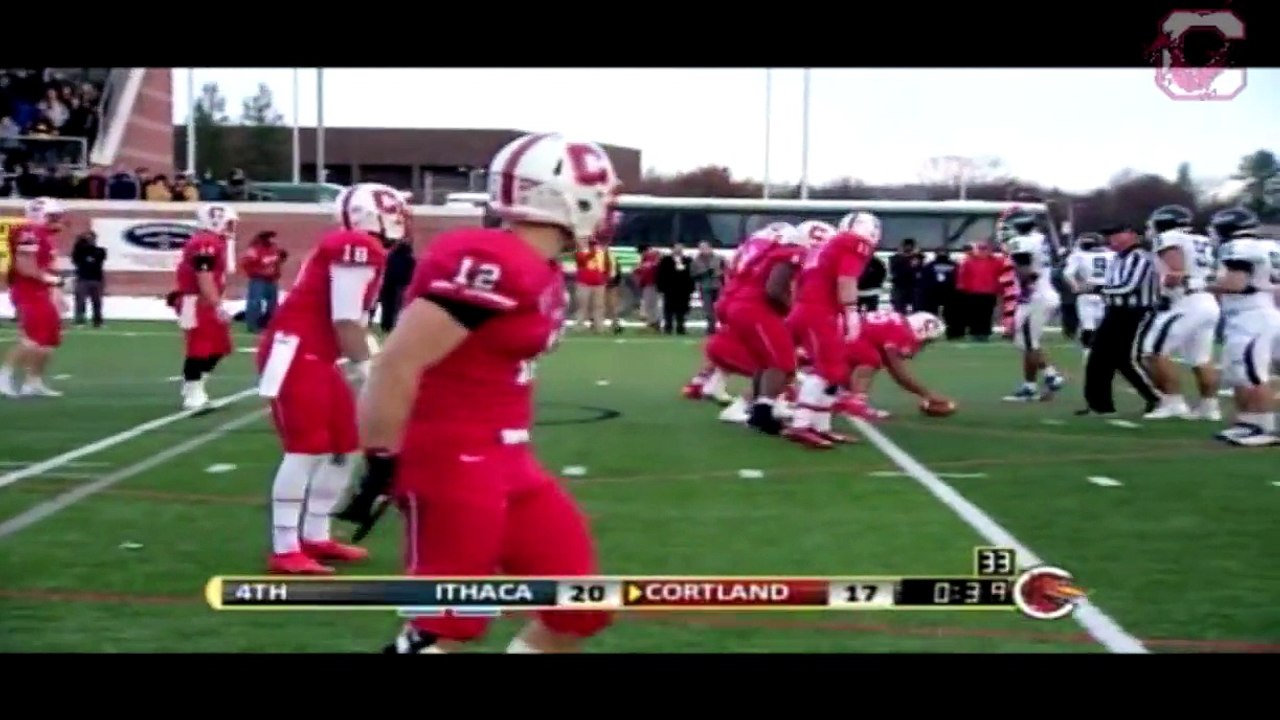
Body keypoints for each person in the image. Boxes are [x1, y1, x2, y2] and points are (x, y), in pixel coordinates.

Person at [339, 133, 618, 654]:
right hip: (451, 461)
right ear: (566, 197)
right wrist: (380, 460)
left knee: (580, 606)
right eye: (600, 195)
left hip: (509, 458)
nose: (607, 208)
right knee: (448, 627)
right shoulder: (492, 259)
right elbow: (398, 360)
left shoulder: (539, 267)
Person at [257, 183, 396, 575]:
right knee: (305, 449)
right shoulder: (356, 245)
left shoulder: (356, 245)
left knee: (344, 443)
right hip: (298, 353)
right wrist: (369, 371)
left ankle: (315, 534)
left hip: (318, 355)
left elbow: (352, 320)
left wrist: (369, 359)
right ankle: (285, 547)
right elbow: (345, 319)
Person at [784, 211, 880, 449]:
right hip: (819, 311)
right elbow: (846, 279)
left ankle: (821, 426)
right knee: (825, 370)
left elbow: (798, 282)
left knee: (835, 369)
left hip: (809, 308)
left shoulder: (828, 246)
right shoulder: (853, 242)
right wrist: (851, 311)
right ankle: (801, 425)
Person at [714, 222, 811, 433]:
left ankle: (759, 409)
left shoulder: (763, 254)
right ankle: (763, 413)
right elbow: (774, 289)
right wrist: (790, 308)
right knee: (781, 362)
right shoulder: (791, 252)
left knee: (765, 361)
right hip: (755, 309)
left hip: (739, 305)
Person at [1139, 205, 1222, 421]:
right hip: (1206, 299)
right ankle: (1209, 407)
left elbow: (1176, 271)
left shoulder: (1169, 238)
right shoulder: (1201, 239)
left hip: (1186, 301)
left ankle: (1173, 403)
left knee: (1152, 352)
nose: (1149, 229)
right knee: (1200, 358)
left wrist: (1164, 287)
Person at [1208, 207, 1280, 446]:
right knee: (1239, 373)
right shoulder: (1268, 246)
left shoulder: (1238, 247)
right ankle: (1248, 422)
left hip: (1251, 316)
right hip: (1259, 313)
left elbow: (1236, 284)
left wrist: (1201, 284)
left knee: (1253, 374)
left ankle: (1265, 427)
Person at [1079, 223, 1161, 416]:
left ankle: (1157, 397)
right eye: (1109, 235)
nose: (1111, 239)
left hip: (1134, 312)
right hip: (1115, 311)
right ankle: (1100, 405)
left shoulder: (1140, 257)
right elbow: (1115, 284)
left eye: (1116, 234)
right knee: (1098, 358)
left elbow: (1129, 286)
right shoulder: (1118, 257)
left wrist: (1097, 288)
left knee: (1124, 359)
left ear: (1132, 234)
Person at [173, 204, 237, 411]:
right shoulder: (205, 242)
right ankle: (192, 392)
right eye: (228, 222)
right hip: (196, 301)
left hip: (206, 301)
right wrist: (217, 304)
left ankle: (195, 384)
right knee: (199, 348)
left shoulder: (215, 242)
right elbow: (204, 276)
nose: (231, 227)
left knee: (220, 347)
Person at [0, 197, 67, 398]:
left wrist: (57, 292)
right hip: (28, 291)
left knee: (49, 341)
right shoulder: (29, 232)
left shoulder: (43, 235)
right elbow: (24, 266)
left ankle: (33, 382)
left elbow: (47, 266)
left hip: (42, 290)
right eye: (53, 217)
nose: (58, 221)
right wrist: (52, 280)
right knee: (31, 339)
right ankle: (4, 376)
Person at [1001, 211, 1066, 402]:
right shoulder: (1040, 238)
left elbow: (1024, 268)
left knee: (1028, 343)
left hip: (1035, 296)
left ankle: (1042, 380)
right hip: (1043, 293)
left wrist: (1026, 287)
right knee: (1023, 342)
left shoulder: (1021, 241)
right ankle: (1040, 380)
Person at [842, 309, 952, 420]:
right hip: (847, 332)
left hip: (845, 329)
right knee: (870, 359)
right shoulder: (902, 333)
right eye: (927, 341)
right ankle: (857, 403)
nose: (925, 344)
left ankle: (843, 397)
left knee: (863, 355)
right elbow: (898, 372)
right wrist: (927, 394)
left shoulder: (900, 324)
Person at [1061, 232, 1115, 360]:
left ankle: (1089, 355)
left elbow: (1068, 274)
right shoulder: (1112, 255)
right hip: (1107, 293)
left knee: (1088, 327)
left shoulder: (1078, 255)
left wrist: (1076, 286)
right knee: (1105, 327)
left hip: (1087, 294)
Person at [955, 241, 1003, 341]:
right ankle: (975, 333)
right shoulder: (968, 261)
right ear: (977, 250)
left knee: (987, 313)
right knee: (974, 313)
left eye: (985, 249)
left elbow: (1000, 275)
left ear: (989, 250)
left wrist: (999, 289)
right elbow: (963, 276)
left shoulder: (997, 261)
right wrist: (962, 287)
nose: (983, 251)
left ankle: (985, 333)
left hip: (989, 292)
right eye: (981, 249)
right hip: (974, 292)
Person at [241, 230, 286, 333]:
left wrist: (278, 265)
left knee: (273, 303)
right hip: (258, 279)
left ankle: (270, 324)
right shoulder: (254, 248)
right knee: (255, 302)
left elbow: (278, 261)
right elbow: (248, 262)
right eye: (271, 238)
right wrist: (257, 268)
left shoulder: (274, 248)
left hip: (272, 279)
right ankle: (253, 325)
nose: (273, 240)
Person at [378, 236, 416, 332]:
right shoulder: (410, 259)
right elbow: (412, 273)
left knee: (387, 305)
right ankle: (392, 325)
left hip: (389, 283)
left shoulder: (390, 256)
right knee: (396, 306)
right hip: (400, 284)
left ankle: (386, 325)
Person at [572, 235, 610, 332]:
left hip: (599, 284)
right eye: (591, 244)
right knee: (583, 305)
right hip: (584, 283)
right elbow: (581, 260)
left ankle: (599, 325)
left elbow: (606, 266)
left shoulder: (601, 254)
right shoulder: (582, 253)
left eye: (594, 244)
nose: (593, 246)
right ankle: (579, 325)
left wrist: (605, 278)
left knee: (599, 305)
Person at [71, 230, 106, 327]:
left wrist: (87, 255)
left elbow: (97, 260)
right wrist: (79, 242)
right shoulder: (80, 251)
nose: (90, 240)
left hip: (96, 279)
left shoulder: (100, 251)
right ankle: (80, 320)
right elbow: (75, 258)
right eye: (88, 239)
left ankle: (97, 321)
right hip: (83, 278)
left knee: (97, 301)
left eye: (91, 238)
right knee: (80, 301)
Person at [690, 240, 726, 335]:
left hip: (718, 287)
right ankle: (711, 328)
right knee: (708, 309)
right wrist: (704, 274)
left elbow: (726, 271)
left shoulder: (719, 258)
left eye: (705, 248)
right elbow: (693, 275)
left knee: (721, 309)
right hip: (705, 287)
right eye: (701, 248)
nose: (703, 250)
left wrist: (721, 275)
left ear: (710, 248)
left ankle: (723, 328)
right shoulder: (696, 261)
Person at [656, 242, 693, 334]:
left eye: (681, 248)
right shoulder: (666, 260)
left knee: (682, 309)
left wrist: (691, 288)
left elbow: (691, 274)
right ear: (672, 249)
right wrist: (660, 287)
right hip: (669, 288)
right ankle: (668, 327)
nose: (679, 250)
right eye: (677, 248)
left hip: (683, 289)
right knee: (668, 309)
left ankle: (681, 327)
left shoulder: (687, 260)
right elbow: (660, 274)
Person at [920, 248, 958, 326]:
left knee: (950, 312)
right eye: (940, 252)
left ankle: (949, 326)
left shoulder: (954, 265)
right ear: (936, 254)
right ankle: (933, 325)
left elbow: (959, 278)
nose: (942, 254)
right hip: (934, 292)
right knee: (932, 311)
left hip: (949, 292)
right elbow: (924, 279)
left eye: (944, 252)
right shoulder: (929, 265)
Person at [888, 238, 922, 313]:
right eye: (906, 246)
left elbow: (920, 271)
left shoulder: (918, 258)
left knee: (916, 309)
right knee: (899, 310)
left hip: (913, 287)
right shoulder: (895, 258)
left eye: (910, 246)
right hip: (899, 287)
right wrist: (909, 262)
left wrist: (914, 257)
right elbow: (895, 271)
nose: (908, 248)